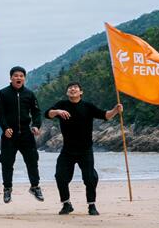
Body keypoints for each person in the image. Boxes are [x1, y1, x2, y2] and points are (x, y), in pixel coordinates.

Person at [46, 82, 122, 215]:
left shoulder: (88, 106)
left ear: (81, 92)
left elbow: (105, 115)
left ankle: (92, 205)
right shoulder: (62, 104)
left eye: (75, 88)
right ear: (67, 92)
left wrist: (115, 110)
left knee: (90, 178)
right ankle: (66, 204)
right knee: (60, 176)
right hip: (67, 150)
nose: (72, 89)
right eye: (70, 88)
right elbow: (48, 114)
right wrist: (57, 111)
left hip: (85, 149)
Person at [0, 67, 44, 204]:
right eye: (16, 75)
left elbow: (36, 112)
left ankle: (35, 187)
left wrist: (36, 125)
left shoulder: (29, 94)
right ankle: (7, 188)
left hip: (26, 133)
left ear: (24, 78)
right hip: (9, 134)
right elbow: (0, 113)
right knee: (7, 162)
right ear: (11, 78)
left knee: (32, 160)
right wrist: (5, 128)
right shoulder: (3, 93)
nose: (18, 78)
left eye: (21, 76)